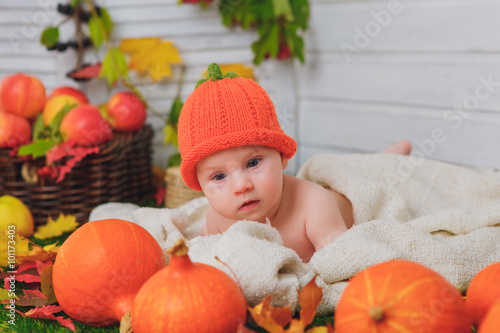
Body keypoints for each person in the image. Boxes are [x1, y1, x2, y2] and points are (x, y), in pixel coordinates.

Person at [177, 63, 411, 262]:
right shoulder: (217, 218)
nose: (241, 186)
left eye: (253, 163)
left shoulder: (314, 205)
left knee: (372, 178)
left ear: (281, 156)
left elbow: (342, 260)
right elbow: (204, 256)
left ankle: (388, 158)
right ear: (199, 184)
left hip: (343, 197)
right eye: (219, 177)